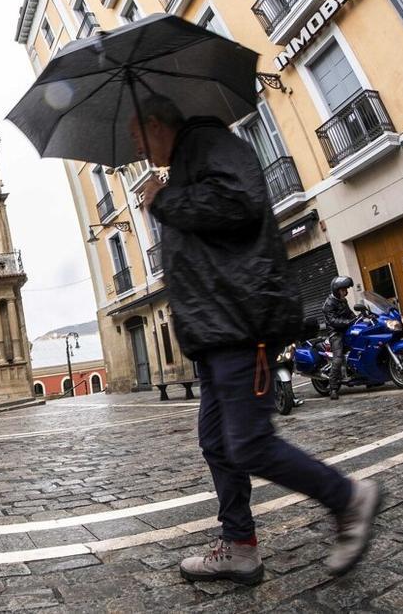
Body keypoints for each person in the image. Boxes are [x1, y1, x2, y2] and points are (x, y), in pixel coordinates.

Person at [133, 94, 381, 584]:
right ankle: (240, 545)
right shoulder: (188, 160)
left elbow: (238, 204)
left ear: (156, 124)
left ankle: (349, 498)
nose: (137, 148)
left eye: (137, 135)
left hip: (239, 323)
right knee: (217, 442)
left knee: (247, 444)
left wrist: (165, 202)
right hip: (216, 330)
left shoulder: (210, 143)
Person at [323, 276, 358, 401]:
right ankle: (333, 388)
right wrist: (348, 322)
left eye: (346, 290)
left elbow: (350, 313)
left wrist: (359, 319)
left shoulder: (343, 301)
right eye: (343, 290)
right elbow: (333, 321)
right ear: (336, 290)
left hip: (347, 330)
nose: (345, 292)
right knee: (337, 358)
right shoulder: (329, 303)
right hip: (336, 333)